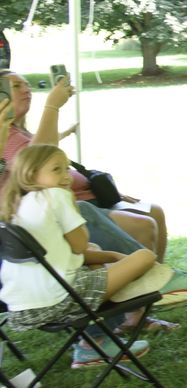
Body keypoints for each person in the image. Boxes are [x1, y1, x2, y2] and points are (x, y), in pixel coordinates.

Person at [0, 144, 157, 368]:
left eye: (66, 169)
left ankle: (96, 341)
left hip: (24, 309)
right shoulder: (55, 196)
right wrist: (72, 206)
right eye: (57, 170)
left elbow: (72, 254)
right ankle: (166, 284)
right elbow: (79, 245)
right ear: (31, 174)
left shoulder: (18, 205)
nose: (66, 177)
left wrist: (112, 256)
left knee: (98, 256)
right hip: (61, 300)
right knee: (144, 256)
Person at [0, 69, 170, 262]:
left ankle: (161, 281)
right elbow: (38, 162)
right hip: (68, 209)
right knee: (144, 225)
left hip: (86, 199)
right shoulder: (7, 135)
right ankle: (157, 280)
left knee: (155, 211)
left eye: (26, 85)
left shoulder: (20, 131)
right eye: (15, 86)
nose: (26, 90)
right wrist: (52, 106)